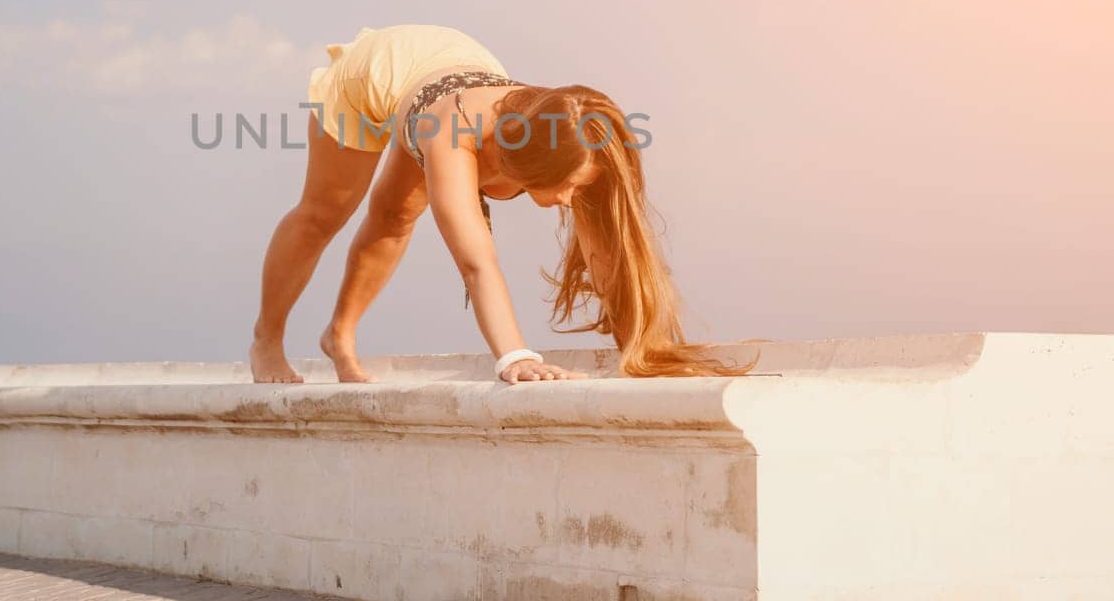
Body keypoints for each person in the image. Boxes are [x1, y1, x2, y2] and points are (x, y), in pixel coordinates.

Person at [250, 24, 755, 385]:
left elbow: (607, 253)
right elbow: (476, 263)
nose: (567, 202)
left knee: (397, 213)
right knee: (326, 214)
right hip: (374, 77)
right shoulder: (450, 135)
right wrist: (515, 356)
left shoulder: (568, 136)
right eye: (566, 189)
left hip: (451, 63)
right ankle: (267, 340)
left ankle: (339, 334)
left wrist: (641, 348)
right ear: (526, 166)